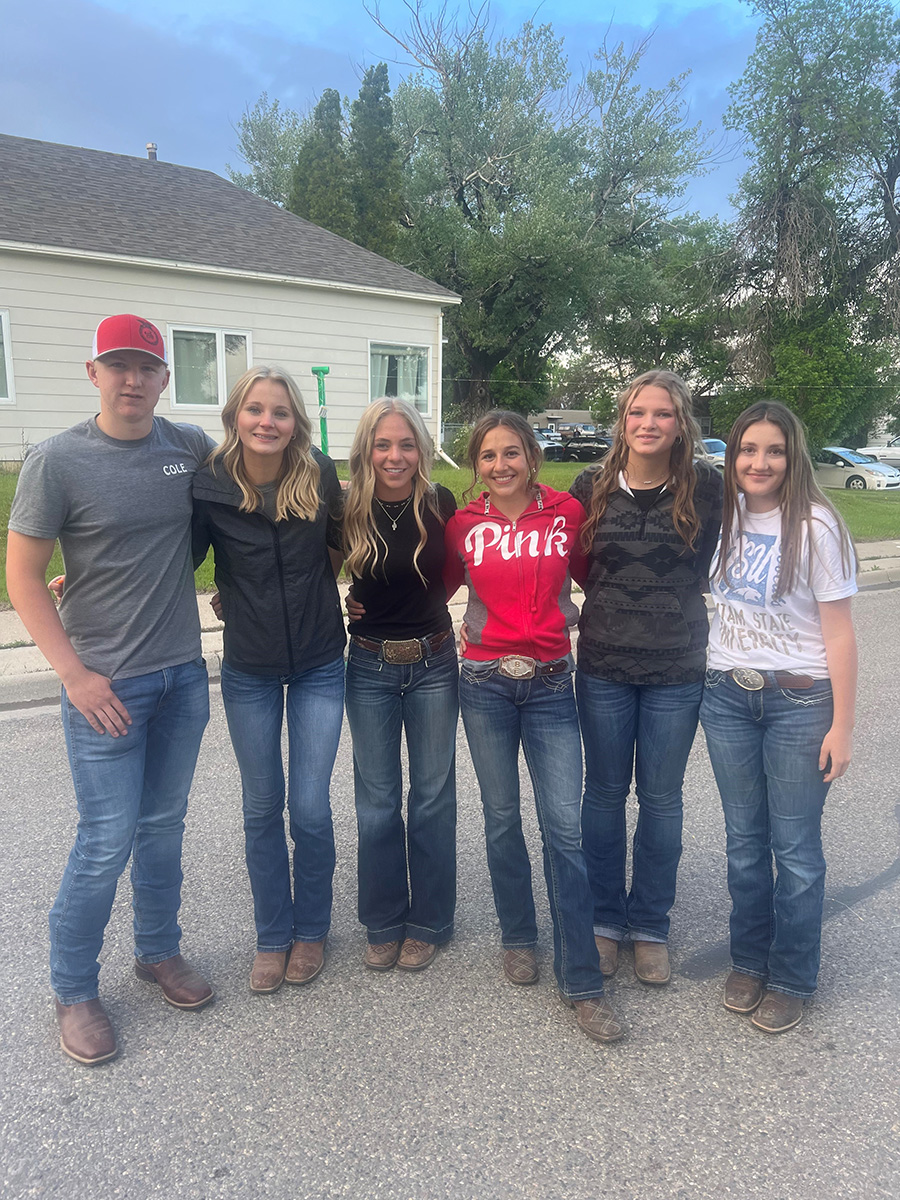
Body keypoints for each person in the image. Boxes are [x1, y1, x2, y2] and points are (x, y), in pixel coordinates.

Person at [6, 314, 214, 1066]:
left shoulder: (187, 448)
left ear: (164, 378)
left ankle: (158, 953)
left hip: (184, 677)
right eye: (118, 366)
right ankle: (74, 988)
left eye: (146, 367)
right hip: (105, 685)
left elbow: (259, 483)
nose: (133, 380)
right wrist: (72, 673)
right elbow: (22, 576)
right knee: (105, 840)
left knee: (163, 828)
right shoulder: (56, 460)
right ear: (93, 372)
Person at [445, 412, 624, 1044]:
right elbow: (435, 587)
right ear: (477, 465)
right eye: (489, 456)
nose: (501, 466)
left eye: (512, 453)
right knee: (500, 818)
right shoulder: (463, 524)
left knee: (564, 829)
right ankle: (518, 934)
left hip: (551, 682)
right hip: (485, 683)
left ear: (532, 456)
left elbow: (597, 575)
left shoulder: (566, 515)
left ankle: (582, 980)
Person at [700, 401, 857, 1033]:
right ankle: (748, 960)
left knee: (793, 849)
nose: (759, 463)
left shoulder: (817, 525)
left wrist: (843, 724)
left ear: (793, 458)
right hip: (726, 695)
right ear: (731, 455)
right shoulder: (721, 515)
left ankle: (792, 974)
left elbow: (840, 633)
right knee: (743, 844)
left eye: (774, 451)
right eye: (747, 450)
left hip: (798, 701)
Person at [192, 366, 345, 994]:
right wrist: (89, 578)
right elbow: (177, 557)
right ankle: (271, 936)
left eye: (279, 412)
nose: (267, 422)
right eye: (255, 410)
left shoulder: (321, 473)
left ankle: (311, 929)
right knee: (262, 806)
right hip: (249, 667)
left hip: (318, 661)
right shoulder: (209, 485)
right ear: (236, 417)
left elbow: (340, 545)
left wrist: (335, 597)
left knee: (309, 806)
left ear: (295, 422)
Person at [571, 370, 723, 987]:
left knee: (661, 801)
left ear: (680, 423)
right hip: (603, 663)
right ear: (622, 420)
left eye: (662, 414)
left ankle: (651, 925)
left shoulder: (709, 489)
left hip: (677, 668)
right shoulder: (591, 486)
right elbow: (575, 560)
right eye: (638, 412)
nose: (649, 424)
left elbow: (724, 560)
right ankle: (606, 922)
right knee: (604, 796)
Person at [342, 398, 458, 972]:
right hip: (368, 666)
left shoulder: (440, 503)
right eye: (383, 445)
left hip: (435, 661)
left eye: (406, 444)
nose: (394, 456)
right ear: (367, 449)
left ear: (422, 450)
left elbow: (459, 570)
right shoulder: (346, 507)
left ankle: (432, 919)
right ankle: (383, 918)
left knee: (433, 797)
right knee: (378, 801)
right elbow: (307, 564)